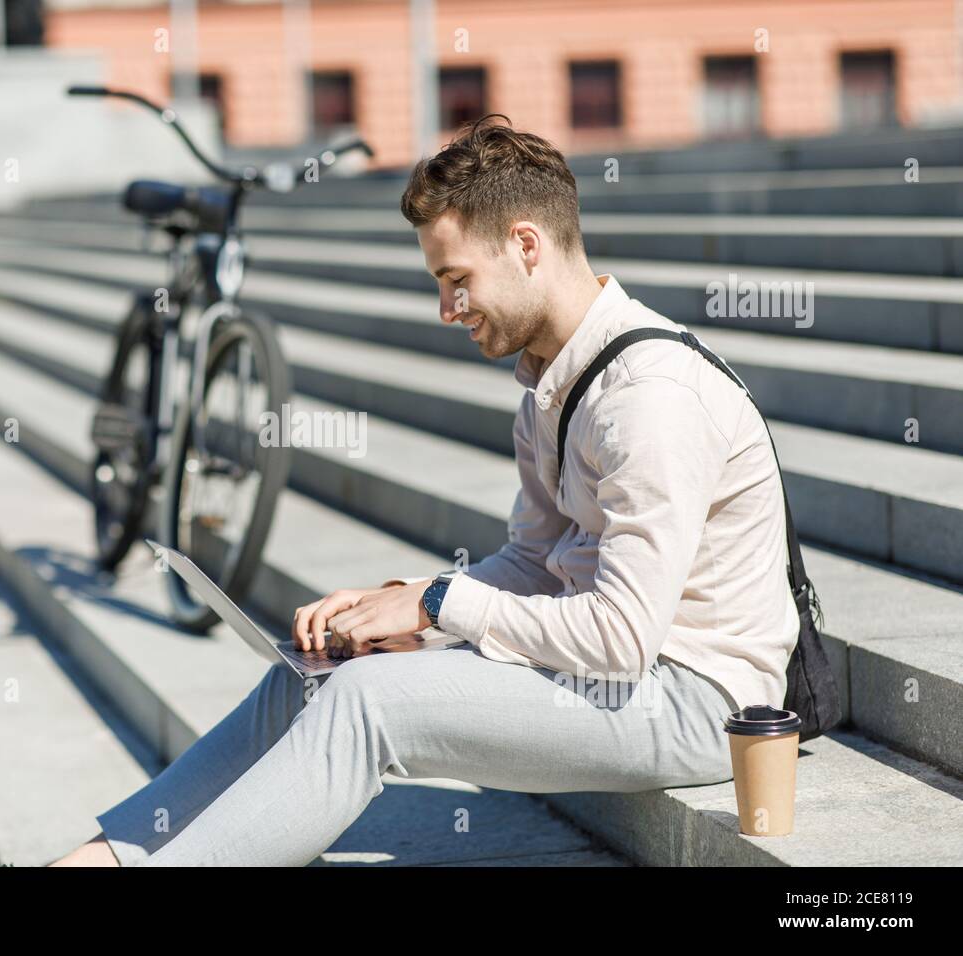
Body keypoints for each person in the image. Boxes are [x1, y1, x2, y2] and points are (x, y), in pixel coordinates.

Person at [48, 114, 797, 867]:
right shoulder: (551, 382)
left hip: (698, 700)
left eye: (457, 280)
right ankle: (102, 859)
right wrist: (398, 604)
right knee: (306, 680)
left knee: (367, 703)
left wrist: (440, 605)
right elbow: (537, 563)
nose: (448, 310)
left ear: (526, 246)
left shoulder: (648, 398)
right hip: (617, 678)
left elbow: (624, 639)